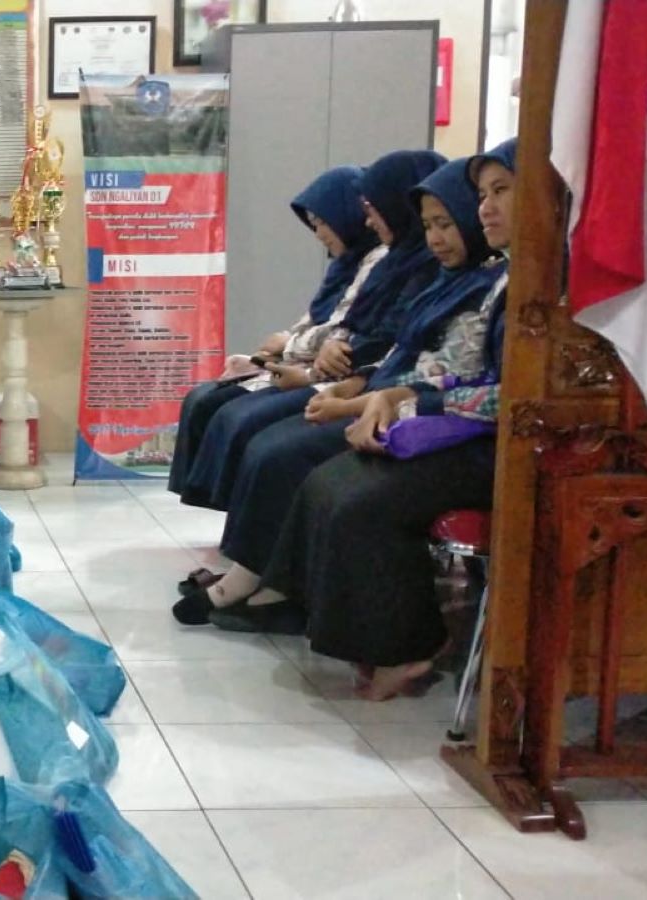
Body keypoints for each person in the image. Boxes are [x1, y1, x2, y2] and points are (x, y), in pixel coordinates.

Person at [176, 154, 507, 630]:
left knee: (281, 450)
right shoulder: (428, 272)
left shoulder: (488, 281)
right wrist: (334, 376)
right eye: (428, 225)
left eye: (446, 223)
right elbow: (368, 336)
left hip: (423, 414)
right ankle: (257, 574)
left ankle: (276, 587)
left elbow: (444, 367)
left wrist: (342, 387)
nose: (436, 237)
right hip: (376, 389)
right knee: (245, 420)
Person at [257, 140, 519, 699]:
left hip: (510, 449)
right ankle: (358, 633)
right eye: (482, 194)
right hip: (465, 425)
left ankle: (408, 647)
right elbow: (456, 371)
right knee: (332, 481)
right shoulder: (503, 274)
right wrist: (398, 393)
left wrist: (409, 400)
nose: (486, 208)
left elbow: (516, 394)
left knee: (362, 500)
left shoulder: (545, 287)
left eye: (501, 191)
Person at [178, 149, 447, 512]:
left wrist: (310, 368)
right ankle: (243, 534)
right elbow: (347, 325)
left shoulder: (428, 269)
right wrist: (314, 354)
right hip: (351, 378)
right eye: (429, 225)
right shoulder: (386, 262)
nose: (369, 223)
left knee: (262, 440)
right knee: (225, 411)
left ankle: (261, 544)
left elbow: (404, 348)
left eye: (443, 224)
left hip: (375, 389)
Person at [168, 165, 381, 499]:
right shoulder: (344, 265)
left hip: (339, 378)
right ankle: (218, 505)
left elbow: (346, 333)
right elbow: (315, 322)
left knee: (245, 425)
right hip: (312, 367)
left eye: (322, 223)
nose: (319, 234)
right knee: (204, 401)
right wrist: (276, 351)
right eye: (313, 225)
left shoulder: (380, 261)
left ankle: (238, 514)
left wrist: (290, 348)